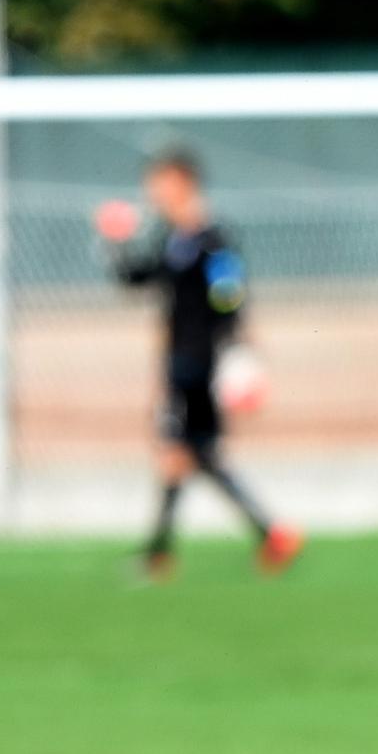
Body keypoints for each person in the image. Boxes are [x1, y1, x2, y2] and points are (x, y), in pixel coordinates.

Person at [100, 144, 300, 579]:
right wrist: (115, 244)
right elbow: (140, 278)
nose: (152, 190)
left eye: (160, 181)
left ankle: (170, 552)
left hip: (199, 363)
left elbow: (230, 296)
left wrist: (238, 356)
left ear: (183, 183)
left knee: (184, 451)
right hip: (180, 360)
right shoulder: (173, 238)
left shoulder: (212, 239)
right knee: (188, 452)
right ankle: (261, 536)